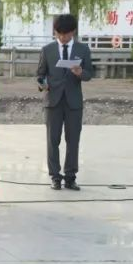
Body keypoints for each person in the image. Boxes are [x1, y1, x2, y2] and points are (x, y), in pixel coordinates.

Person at [36, 14, 94, 190]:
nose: (62, 37)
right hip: (52, 101)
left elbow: (89, 74)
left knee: (73, 140)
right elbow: (40, 74)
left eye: (66, 34)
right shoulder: (47, 50)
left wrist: (80, 73)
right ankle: (55, 176)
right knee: (52, 140)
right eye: (58, 34)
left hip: (73, 102)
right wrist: (42, 84)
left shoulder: (83, 49)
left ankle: (70, 177)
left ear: (73, 32)